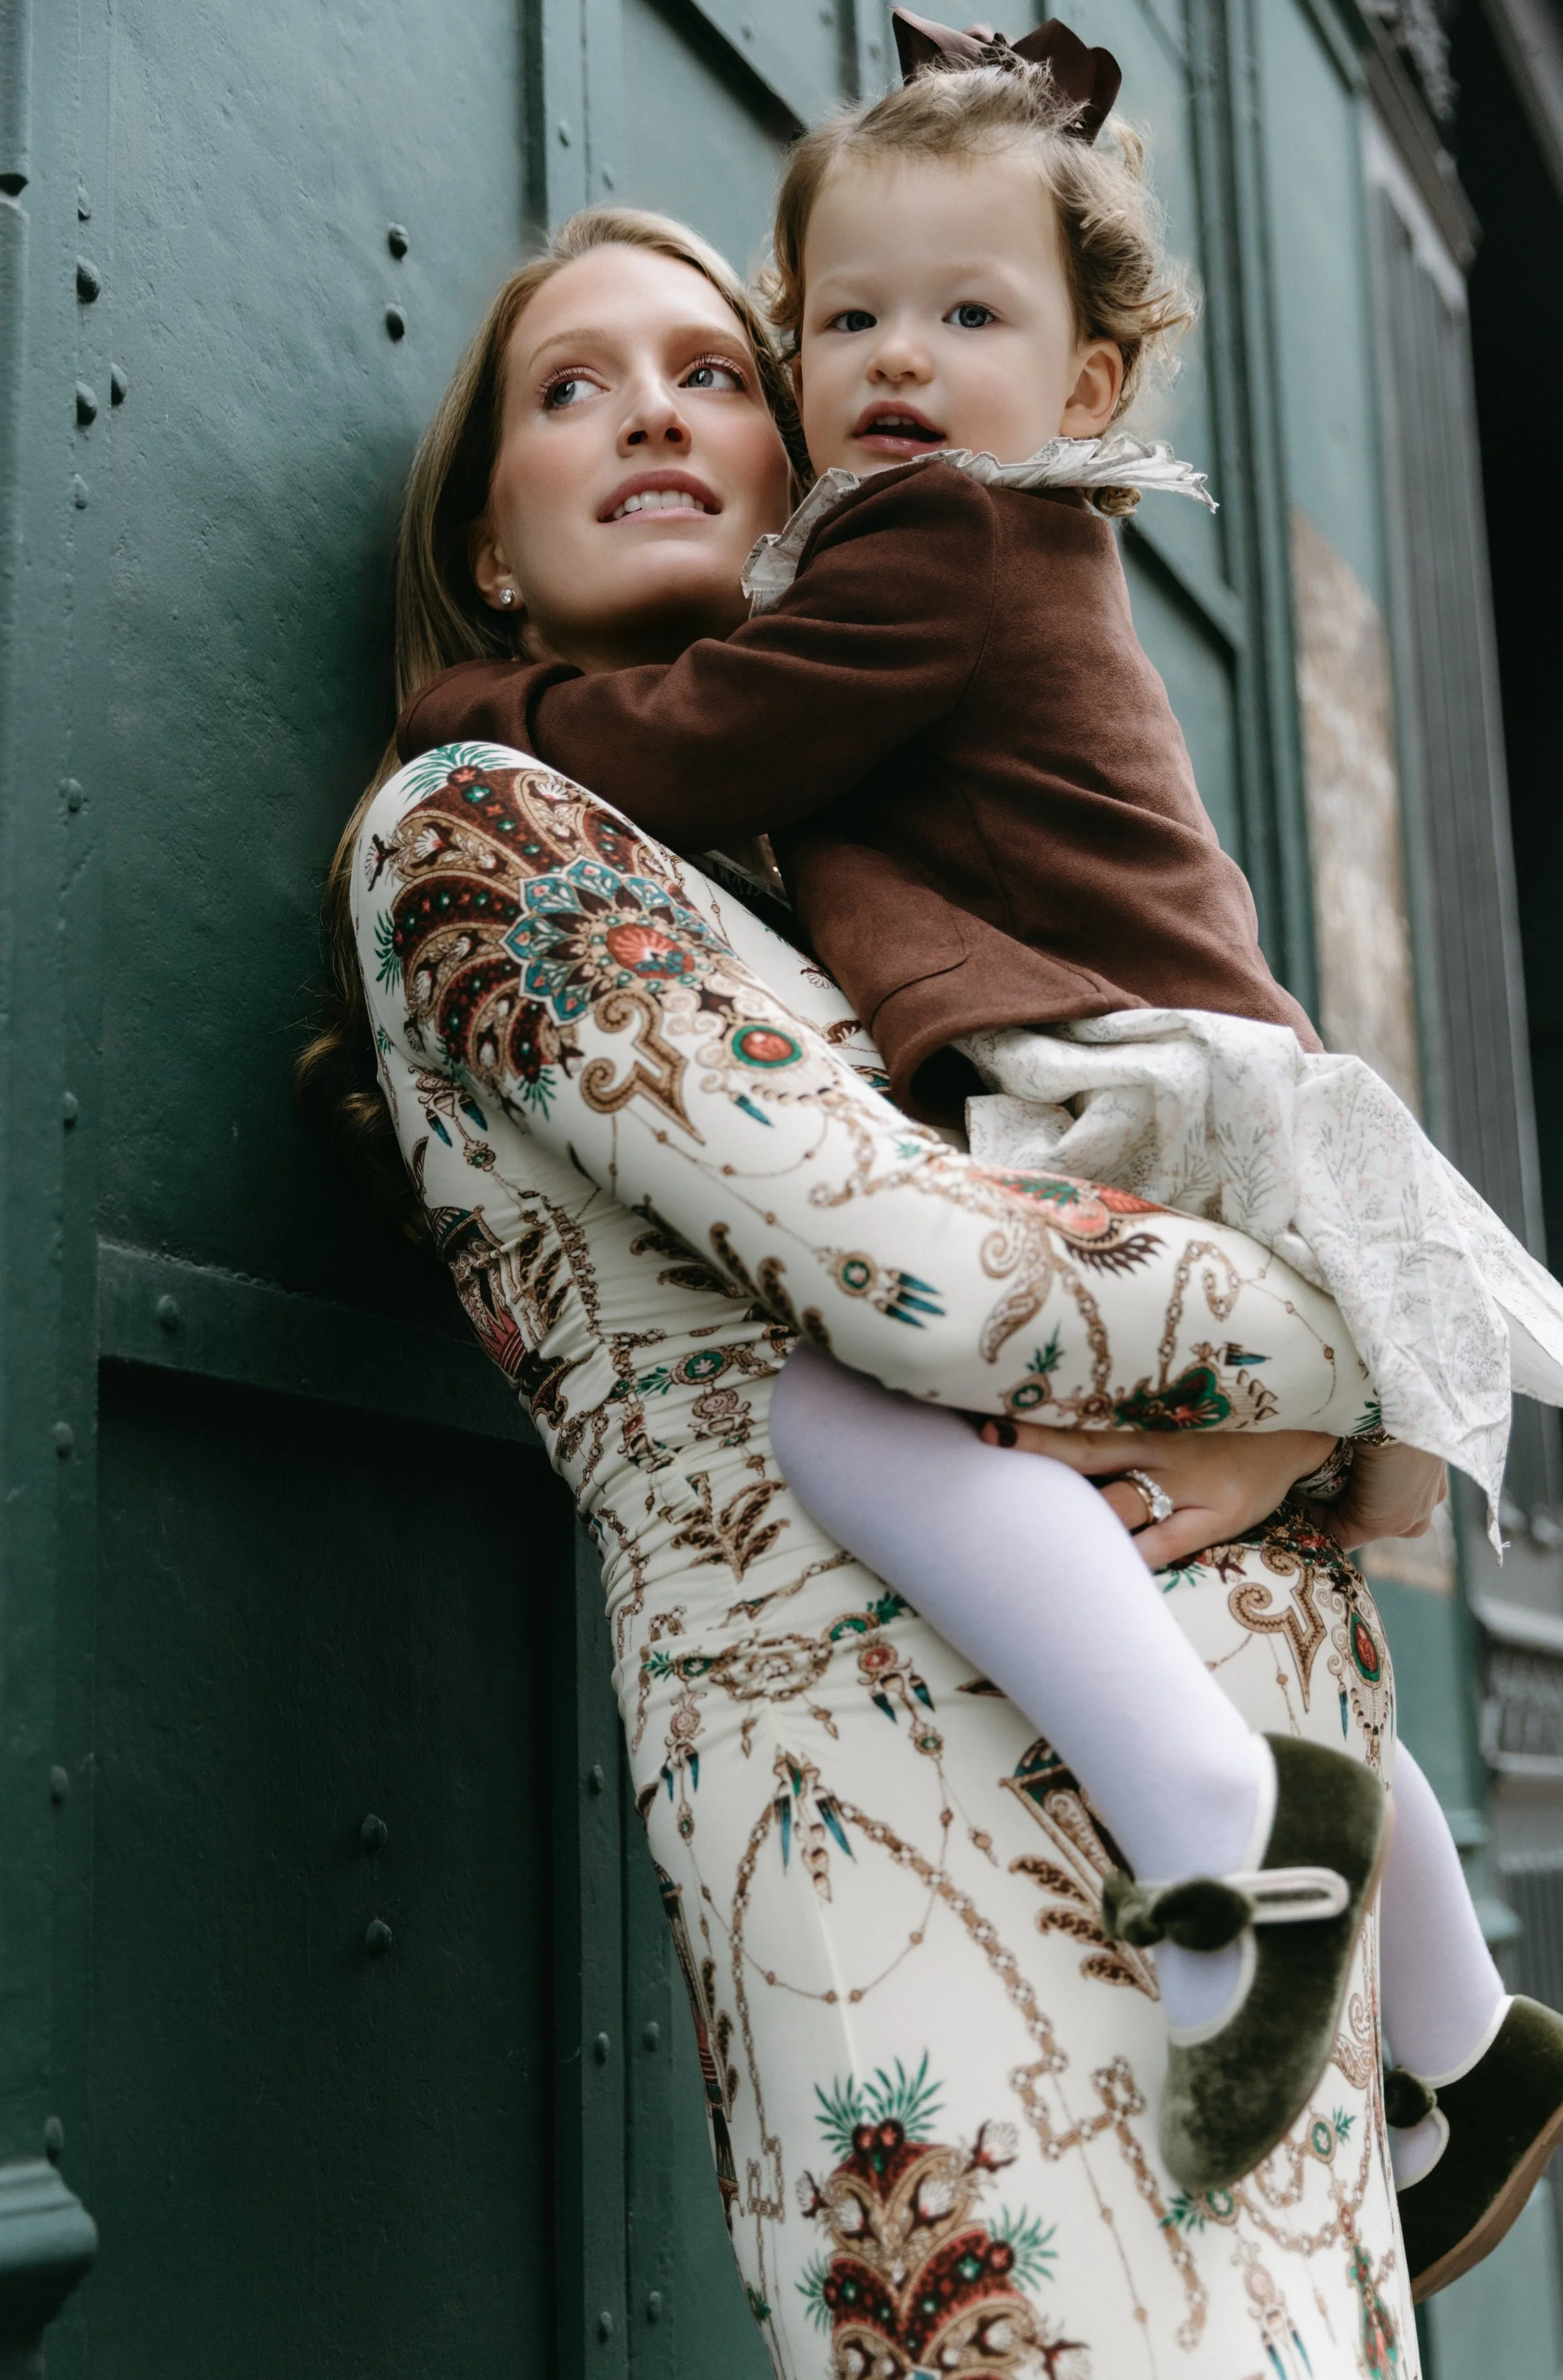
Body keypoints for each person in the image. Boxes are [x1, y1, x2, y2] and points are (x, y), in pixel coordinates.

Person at [390, 16, 1563, 2261]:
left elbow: (714, 739)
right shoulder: (938, 570)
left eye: (960, 316)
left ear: (1087, 381)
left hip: (1121, 1069)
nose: (897, 361)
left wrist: (480, 701)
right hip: (1165, 1075)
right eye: (844, 324)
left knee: (855, 1415)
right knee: (1161, 1542)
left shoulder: (920, 542)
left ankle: (1220, 1835)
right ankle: (1466, 2030)